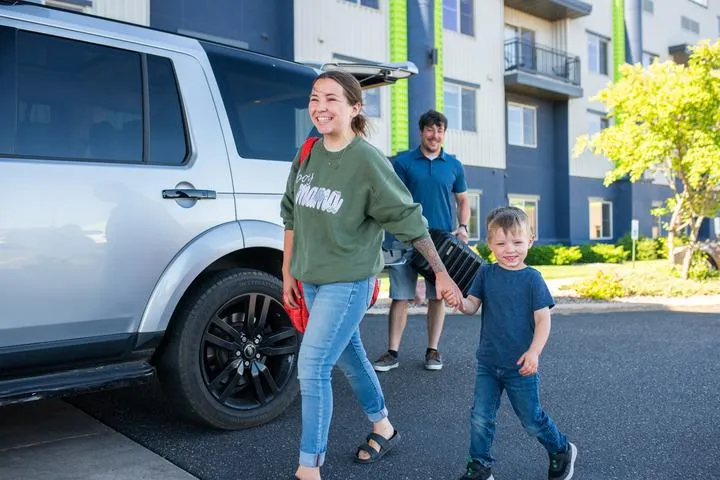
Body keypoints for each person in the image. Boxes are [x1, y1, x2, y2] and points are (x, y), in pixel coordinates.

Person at [280, 70, 463, 480]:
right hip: (310, 278)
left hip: (347, 283)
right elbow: (290, 210)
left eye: (331, 100)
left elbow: (409, 219)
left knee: (311, 367)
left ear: (354, 107)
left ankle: (308, 468)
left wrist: (441, 273)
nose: (320, 108)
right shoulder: (307, 150)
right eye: (314, 98)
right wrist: (287, 268)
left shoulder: (367, 160)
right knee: (350, 356)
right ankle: (384, 427)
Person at [456, 206, 577, 480]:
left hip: (520, 365)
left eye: (517, 242)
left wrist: (534, 352)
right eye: (501, 243)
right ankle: (480, 466)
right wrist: (458, 301)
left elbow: (543, 321)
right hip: (488, 363)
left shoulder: (532, 279)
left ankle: (560, 449)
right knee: (480, 417)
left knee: (531, 420)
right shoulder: (486, 274)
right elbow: (471, 306)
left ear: (530, 240)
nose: (509, 249)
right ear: (489, 245)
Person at [373, 109, 470, 372]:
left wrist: (462, 226)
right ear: (421, 132)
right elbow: (395, 198)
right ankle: (392, 352)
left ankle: (433, 351)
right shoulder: (403, 162)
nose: (435, 135)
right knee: (400, 296)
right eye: (430, 129)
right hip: (404, 239)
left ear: (444, 133)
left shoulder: (454, 165)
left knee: (437, 296)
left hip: (440, 243)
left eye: (439, 130)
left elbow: (463, 200)